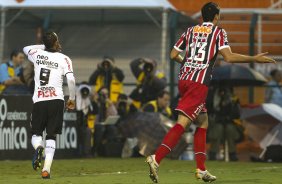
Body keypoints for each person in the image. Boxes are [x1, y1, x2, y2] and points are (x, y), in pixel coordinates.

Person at [145, 2, 276, 183]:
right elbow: (229, 57)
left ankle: (201, 169)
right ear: (216, 16)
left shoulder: (190, 31)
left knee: (203, 122)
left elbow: (173, 54)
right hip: (198, 83)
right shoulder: (218, 32)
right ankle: (156, 159)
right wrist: (254, 58)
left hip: (184, 79)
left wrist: (188, 63)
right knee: (182, 123)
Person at [23, 31, 76, 179]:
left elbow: (25, 48)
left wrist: (44, 45)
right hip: (57, 100)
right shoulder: (64, 58)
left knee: (36, 134)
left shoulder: (36, 54)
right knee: (51, 136)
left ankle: (39, 147)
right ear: (56, 43)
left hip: (40, 100)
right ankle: (46, 169)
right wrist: (71, 99)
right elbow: (71, 80)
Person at [208, 87, 242, 161]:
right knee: (218, 129)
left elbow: (237, 114)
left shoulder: (234, 99)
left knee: (230, 129)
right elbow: (209, 110)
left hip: (230, 122)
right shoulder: (212, 97)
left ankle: (232, 153)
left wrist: (230, 106)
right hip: (216, 122)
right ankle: (213, 153)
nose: (223, 92)